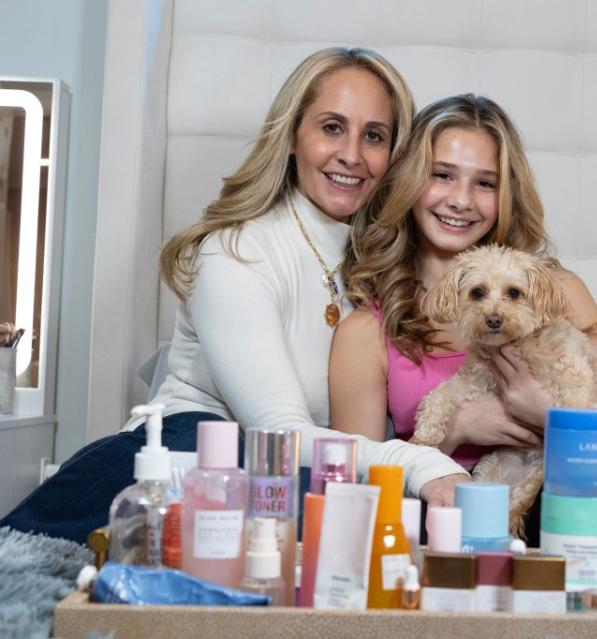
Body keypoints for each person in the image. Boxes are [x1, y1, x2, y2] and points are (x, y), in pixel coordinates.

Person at [1, 48, 467, 544]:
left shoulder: (375, 263)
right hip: (188, 463)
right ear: (292, 135)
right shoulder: (235, 252)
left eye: (373, 136)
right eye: (332, 127)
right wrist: (420, 462)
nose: (352, 154)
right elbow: (280, 437)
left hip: (291, 472)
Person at [329, 95, 597, 513]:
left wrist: (546, 413)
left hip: (566, 520)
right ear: (408, 181)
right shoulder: (367, 331)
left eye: (485, 183)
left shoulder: (560, 294)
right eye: (442, 175)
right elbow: (354, 493)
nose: (461, 200)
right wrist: (455, 430)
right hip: (429, 530)